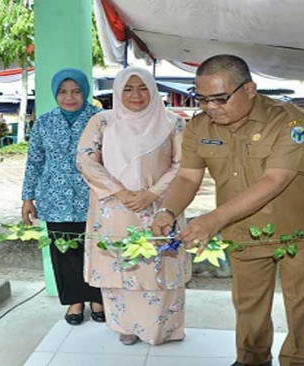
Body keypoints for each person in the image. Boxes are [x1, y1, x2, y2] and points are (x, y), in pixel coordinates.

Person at [151, 55, 304, 366]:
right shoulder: (198, 126)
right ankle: (252, 359)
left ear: (249, 89)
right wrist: (167, 211)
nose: (211, 107)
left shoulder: (290, 121)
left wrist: (214, 220)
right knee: (249, 306)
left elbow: (275, 180)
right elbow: (187, 176)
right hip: (243, 231)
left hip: (302, 231)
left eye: (220, 98)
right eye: (203, 99)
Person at [76, 67, 189, 346]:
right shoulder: (102, 121)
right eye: (128, 88)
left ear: (153, 89)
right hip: (114, 208)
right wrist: (120, 191)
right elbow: (86, 159)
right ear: (117, 91)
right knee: (119, 265)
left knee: (160, 264)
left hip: (161, 208)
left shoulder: (174, 123)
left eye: (142, 88)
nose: (136, 95)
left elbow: (184, 165)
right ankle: (125, 325)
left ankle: (165, 329)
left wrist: (152, 193)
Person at [21, 68, 104, 325]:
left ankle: (97, 298)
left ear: (85, 92)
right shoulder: (45, 122)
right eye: (63, 92)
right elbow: (34, 161)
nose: (70, 97)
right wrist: (27, 198)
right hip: (54, 198)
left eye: (76, 91)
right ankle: (74, 302)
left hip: (93, 196)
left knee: (96, 248)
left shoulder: (100, 119)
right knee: (64, 251)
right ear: (55, 94)